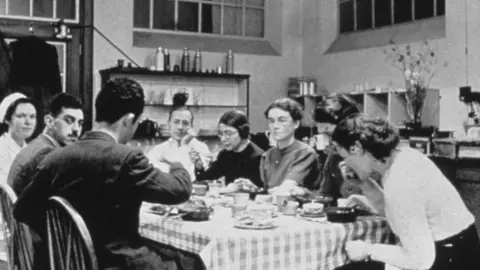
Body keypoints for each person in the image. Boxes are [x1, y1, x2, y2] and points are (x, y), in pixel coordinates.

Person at [13, 78, 192, 270]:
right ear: (129, 120)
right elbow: (179, 191)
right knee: (190, 261)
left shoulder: (56, 157)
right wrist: (178, 163)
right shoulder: (126, 158)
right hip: (119, 263)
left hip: (68, 264)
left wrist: (65, 242)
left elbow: (22, 210)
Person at [331, 114, 480, 270]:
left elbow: (420, 260)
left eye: (345, 156)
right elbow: (397, 213)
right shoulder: (404, 157)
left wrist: (368, 250)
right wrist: (364, 184)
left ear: (357, 148)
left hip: (449, 259)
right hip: (458, 249)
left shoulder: (400, 180)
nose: (345, 163)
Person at [8, 93, 84, 195]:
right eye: (69, 121)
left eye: (80, 123)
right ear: (49, 121)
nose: (76, 129)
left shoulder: (38, 144)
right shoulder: (47, 153)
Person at [258, 98, 320, 195]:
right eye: (271, 121)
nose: (275, 126)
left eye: (282, 120)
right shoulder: (267, 155)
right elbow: (268, 190)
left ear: (296, 123)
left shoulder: (305, 152)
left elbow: (287, 188)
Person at [147, 92, 211, 181]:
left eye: (185, 123)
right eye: (176, 122)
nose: (180, 127)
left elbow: (195, 177)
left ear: (191, 126)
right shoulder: (159, 149)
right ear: (169, 124)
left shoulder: (200, 148)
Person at [194, 110, 264, 188]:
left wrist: (252, 187)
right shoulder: (225, 155)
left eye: (228, 133)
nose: (223, 139)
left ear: (243, 132)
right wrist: (199, 167)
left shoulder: (259, 158)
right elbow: (205, 178)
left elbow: (265, 192)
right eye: (221, 134)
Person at [316, 94, 362, 201]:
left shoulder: (371, 158)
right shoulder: (333, 158)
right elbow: (324, 195)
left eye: (327, 132)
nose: (327, 143)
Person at [0, 92, 37, 182]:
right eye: (21, 116)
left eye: (32, 117)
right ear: (7, 119)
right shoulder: (1, 149)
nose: (28, 122)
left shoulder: (30, 150)